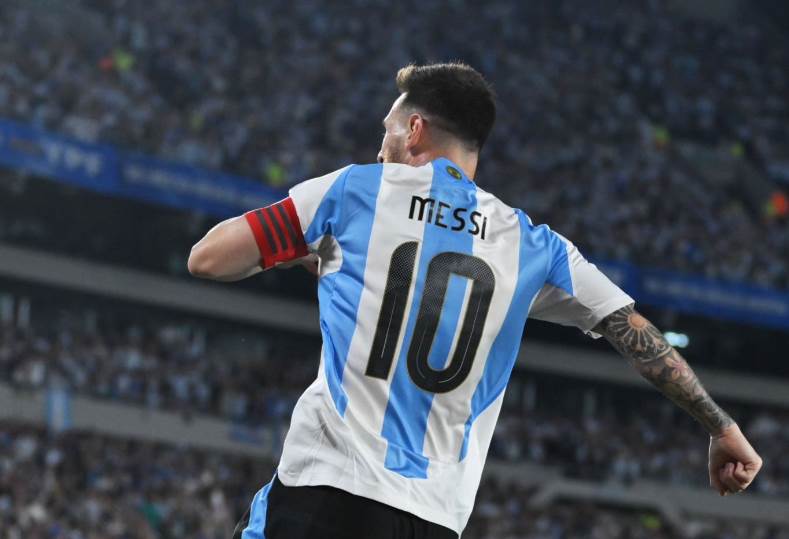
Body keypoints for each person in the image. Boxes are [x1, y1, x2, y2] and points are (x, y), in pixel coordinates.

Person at [188, 62, 762, 539]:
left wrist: (302, 251)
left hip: (326, 489)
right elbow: (632, 331)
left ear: (414, 129)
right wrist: (720, 427)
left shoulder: (355, 190)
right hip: (434, 517)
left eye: (387, 130)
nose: (381, 147)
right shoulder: (533, 244)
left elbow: (209, 258)